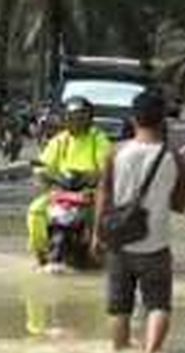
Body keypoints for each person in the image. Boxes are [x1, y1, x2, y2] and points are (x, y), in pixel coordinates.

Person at [92, 91, 185, 353]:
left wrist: (96, 235)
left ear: (134, 119)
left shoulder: (116, 152)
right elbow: (180, 206)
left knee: (119, 307)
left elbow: (104, 194)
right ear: (163, 120)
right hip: (156, 245)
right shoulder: (175, 158)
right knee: (158, 305)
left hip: (119, 243)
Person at [27, 96, 112, 267]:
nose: (77, 122)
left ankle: (99, 250)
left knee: (104, 214)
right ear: (66, 119)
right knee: (35, 210)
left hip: (89, 191)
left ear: (89, 119)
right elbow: (43, 165)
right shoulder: (60, 141)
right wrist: (44, 174)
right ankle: (40, 253)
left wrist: (92, 175)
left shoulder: (98, 139)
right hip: (61, 191)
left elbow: (107, 165)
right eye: (73, 118)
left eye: (82, 117)